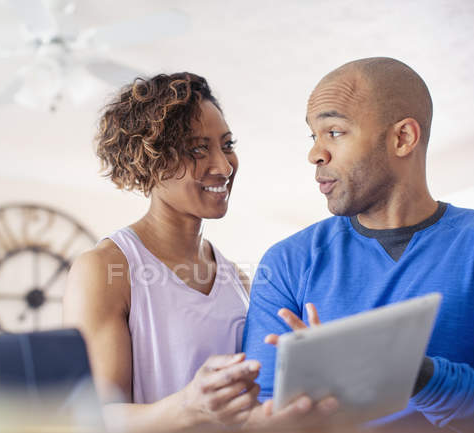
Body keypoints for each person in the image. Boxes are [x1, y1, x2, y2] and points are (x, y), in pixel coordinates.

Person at [242, 57, 474, 432]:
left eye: (334, 132)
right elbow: (257, 421)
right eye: (313, 136)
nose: (315, 154)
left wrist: (413, 373)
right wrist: (312, 398)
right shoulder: (288, 263)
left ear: (402, 138)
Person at [63, 72, 335, 432]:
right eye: (197, 149)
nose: (223, 166)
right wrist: (187, 407)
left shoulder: (236, 279)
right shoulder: (106, 268)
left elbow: (245, 412)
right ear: (151, 161)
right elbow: (91, 421)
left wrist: (303, 374)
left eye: (227, 144)